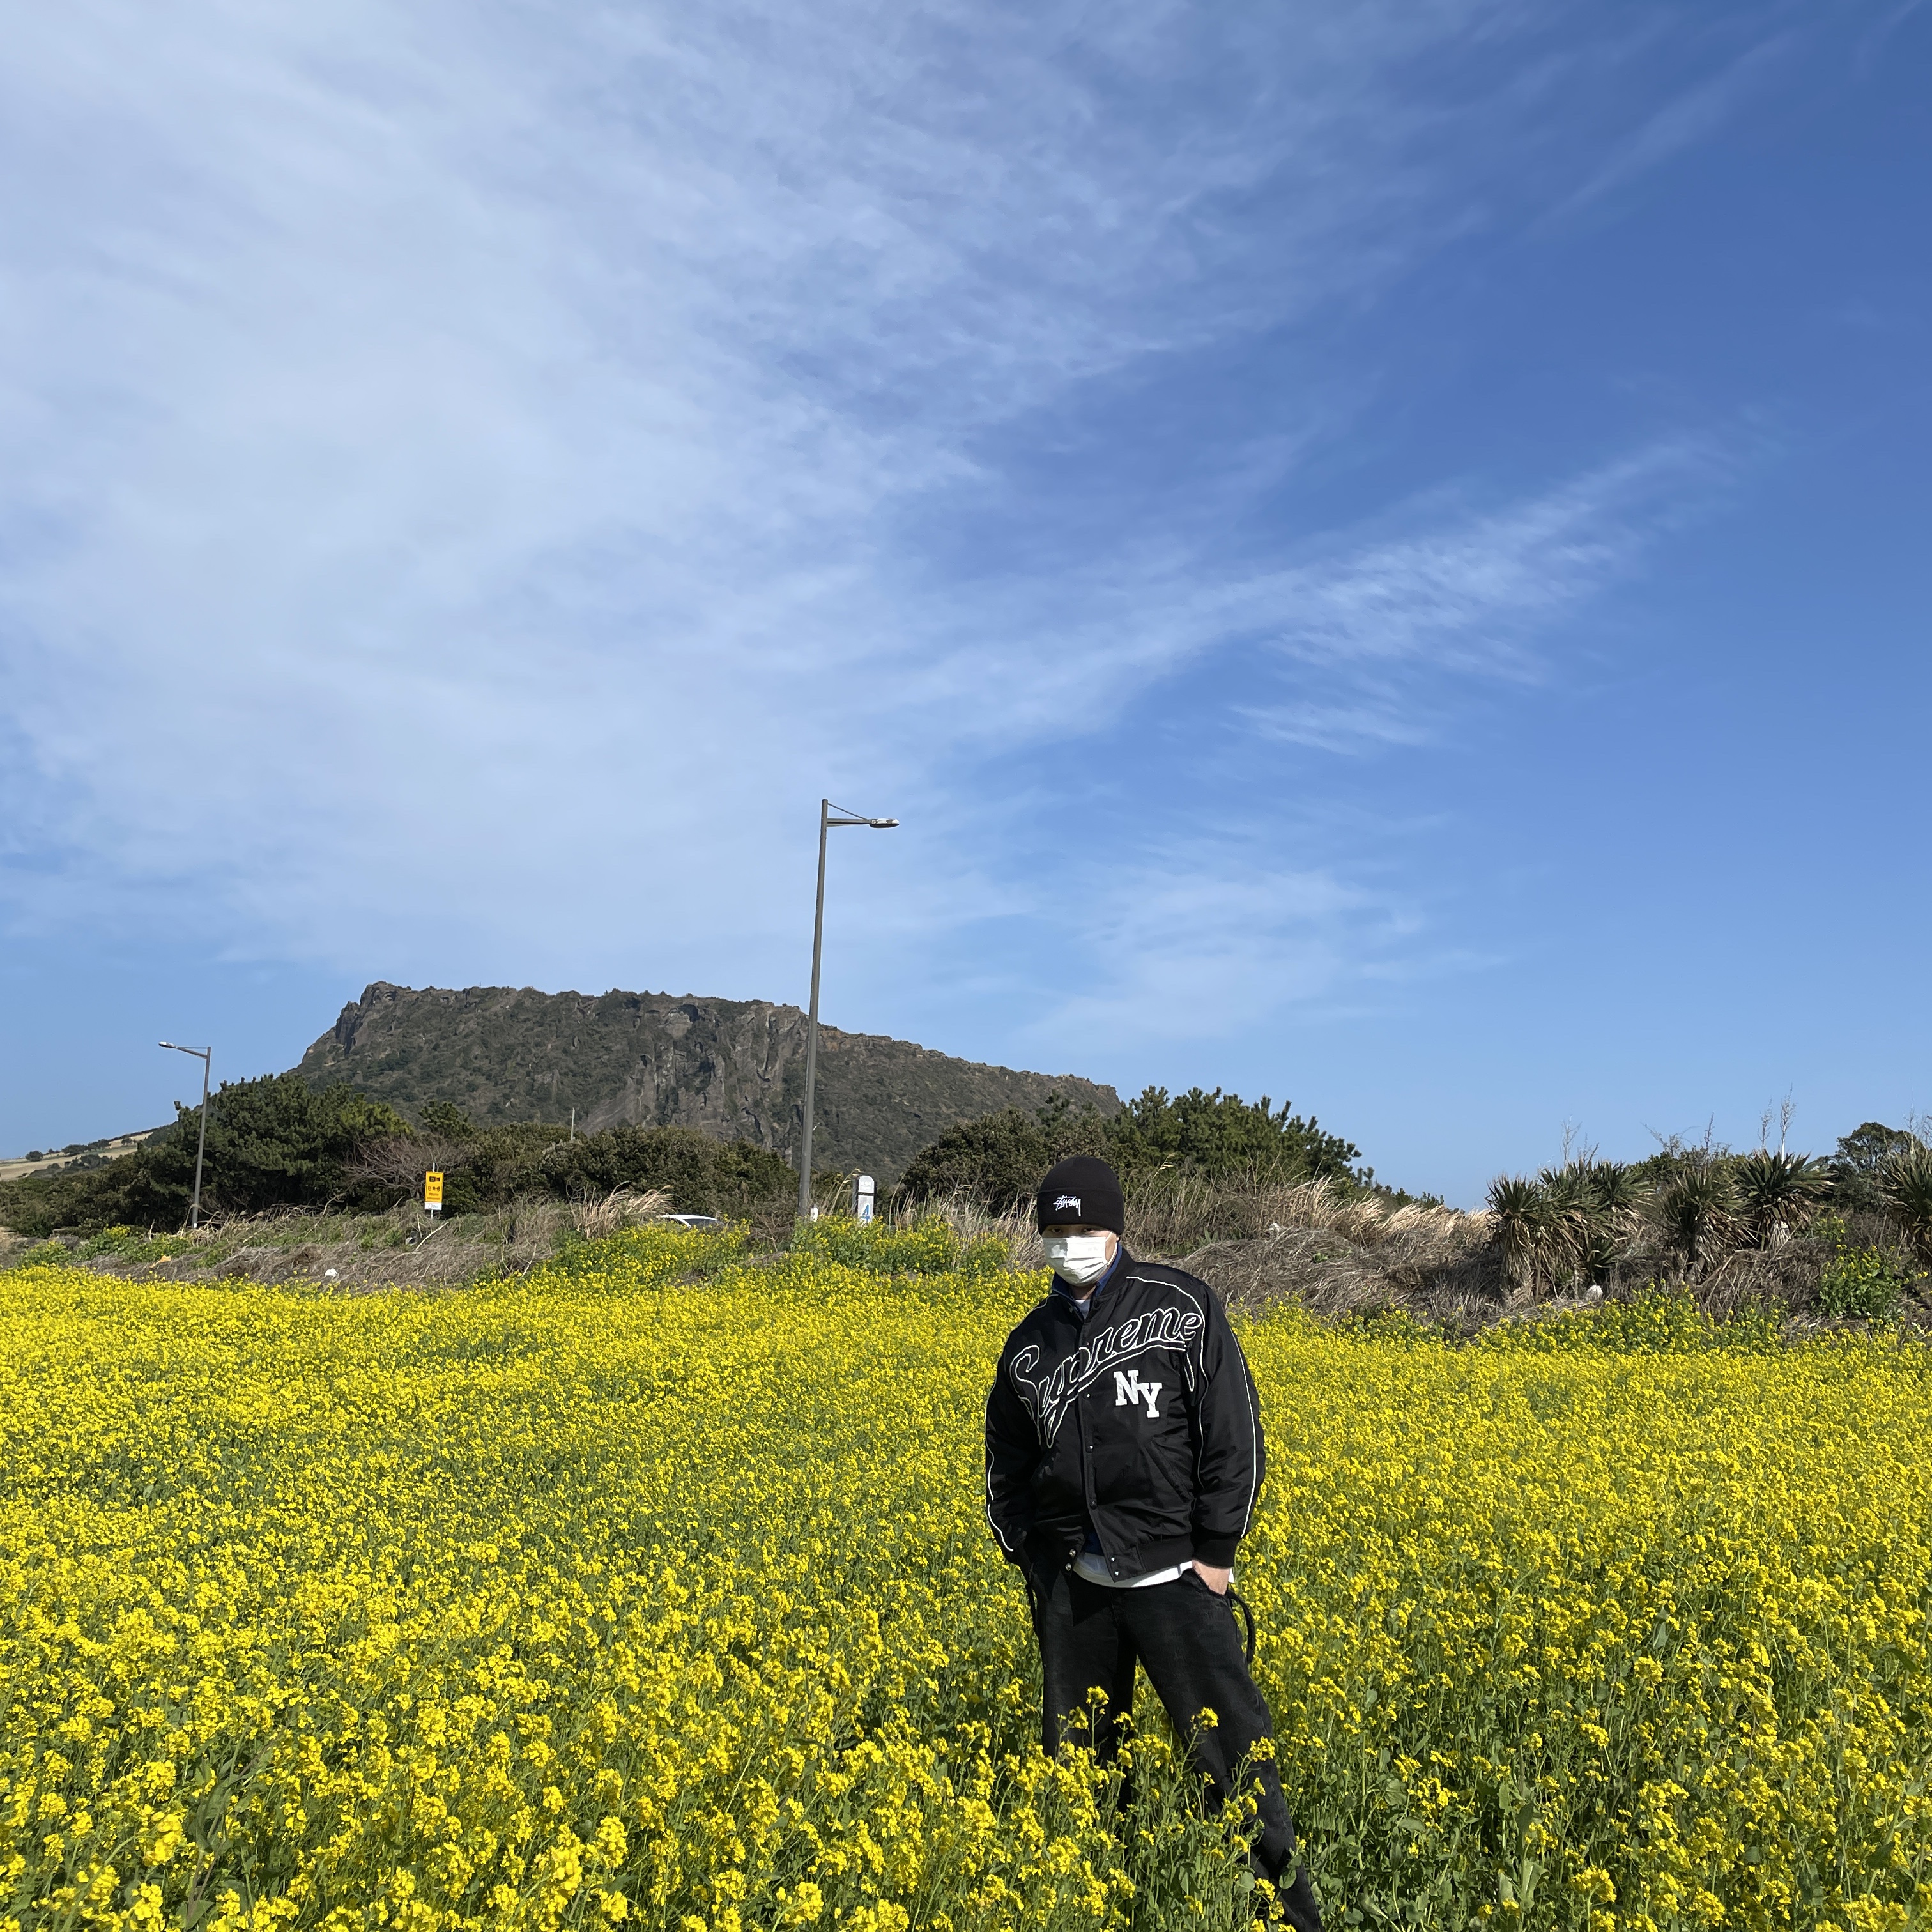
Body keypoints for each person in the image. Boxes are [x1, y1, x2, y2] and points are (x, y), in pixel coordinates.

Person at [983, 1154, 1323, 1929]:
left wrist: (1217, 1554)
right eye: (1057, 1230)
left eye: (1084, 1228)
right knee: (1083, 1771)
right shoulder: (1030, 1345)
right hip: (1076, 1588)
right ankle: (1103, 1905)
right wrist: (1032, 1557)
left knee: (1236, 1767)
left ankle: (1284, 1918)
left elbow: (1233, 1436)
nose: (1070, 1243)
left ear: (1115, 1229)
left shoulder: (1182, 1306)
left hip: (1177, 1578)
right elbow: (1006, 1458)